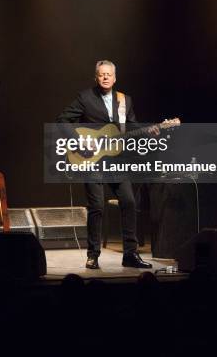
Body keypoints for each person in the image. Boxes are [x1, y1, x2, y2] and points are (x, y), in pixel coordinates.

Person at [57, 60, 153, 270]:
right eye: (102, 74)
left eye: (109, 74)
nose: (106, 77)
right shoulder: (85, 97)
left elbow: (132, 126)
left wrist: (150, 130)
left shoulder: (124, 100)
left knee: (129, 202)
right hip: (91, 160)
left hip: (116, 161)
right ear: (96, 77)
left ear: (115, 78)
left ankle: (130, 254)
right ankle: (93, 255)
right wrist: (79, 140)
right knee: (97, 207)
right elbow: (62, 120)